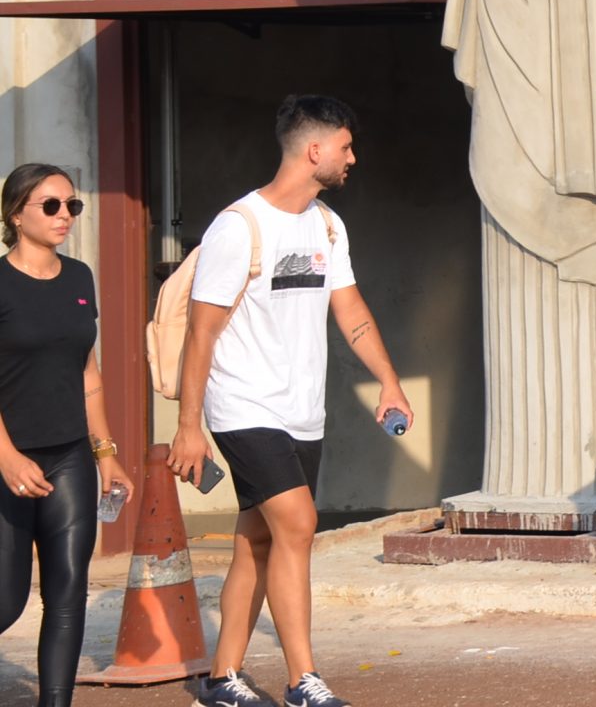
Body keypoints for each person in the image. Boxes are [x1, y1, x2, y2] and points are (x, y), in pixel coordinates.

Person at [173, 95, 411, 707]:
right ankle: (304, 680)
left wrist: (388, 379)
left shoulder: (328, 225)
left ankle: (222, 677)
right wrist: (189, 427)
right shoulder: (238, 226)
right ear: (315, 150)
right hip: (243, 406)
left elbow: (350, 308)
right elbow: (201, 331)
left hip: (302, 410)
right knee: (300, 525)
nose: (352, 157)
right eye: (346, 146)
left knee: (258, 540)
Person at [0, 165, 133, 707]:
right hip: (7, 460)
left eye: (72, 206)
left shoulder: (80, 277)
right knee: (6, 601)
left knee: (68, 591)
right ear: (15, 215)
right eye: (51, 206)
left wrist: (107, 455)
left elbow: (88, 374)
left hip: (70, 456)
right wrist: (6, 456)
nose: (65, 216)